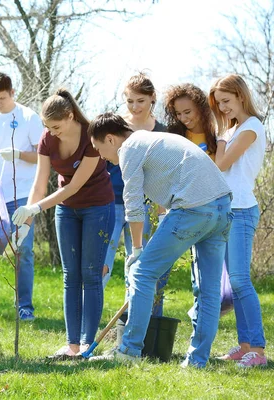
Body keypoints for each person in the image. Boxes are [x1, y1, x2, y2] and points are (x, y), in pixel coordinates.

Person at [88, 112, 232, 368]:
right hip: (222, 207)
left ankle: (129, 352)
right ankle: (197, 361)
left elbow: (132, 203)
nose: (101, 156)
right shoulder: (152, 140)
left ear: (110, 139)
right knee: (209, 291)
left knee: (142, 274)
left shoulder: (129, 148)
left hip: (193, 209)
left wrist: (137, 249)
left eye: (99, 149)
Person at [12, 88, 115, 359]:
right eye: (48, 127)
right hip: (66, 211)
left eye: (56, 126)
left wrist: (37, 207)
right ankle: (72, 346)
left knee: (90, 275)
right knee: (71, 276)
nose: (52, 132)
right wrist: (27, 219)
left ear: (70, 116)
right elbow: (39, 181)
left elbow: (74, 186)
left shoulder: (91, 135)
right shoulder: (48, 139)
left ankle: (87, 345)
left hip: (97, 207)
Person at [0, 72, 44, 321]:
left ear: (12, 93)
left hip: (22, 194)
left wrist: (18, 154)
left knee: (23, 251)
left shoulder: (29, 118)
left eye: (2, 98)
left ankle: (24, 307)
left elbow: (43, 157)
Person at [209, 74, 268, 367]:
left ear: (241, 96)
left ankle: (257, 349)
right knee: (235, 282)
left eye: (226, 101)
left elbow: (222, 164)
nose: (222, 108)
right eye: (219, 104)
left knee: (242, 282)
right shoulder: (234, 129)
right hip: (230, 208)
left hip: (243, 209)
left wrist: (220, 137)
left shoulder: (252, 127)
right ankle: (245, 344)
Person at [105, 72, 170, 317]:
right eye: (130, 100)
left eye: (140, 100)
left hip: (144, 204)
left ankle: (135, 321)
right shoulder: (115, 125)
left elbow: (163, 172)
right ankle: (87, 330)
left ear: (152, 98)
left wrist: (160, 210)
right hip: (111, 201)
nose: (134, 106)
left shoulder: (161, 130)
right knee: (103, 264)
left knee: (138, 263)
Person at [163, 83, 218, 334]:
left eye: (188, 112)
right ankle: (199, 331)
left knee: (212, 281)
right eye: (178, 114)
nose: (184, 118)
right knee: (197, 279)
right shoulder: (178, 138)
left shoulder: (216, 135)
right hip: (187, 209)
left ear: (201, 108)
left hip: (215, 210)